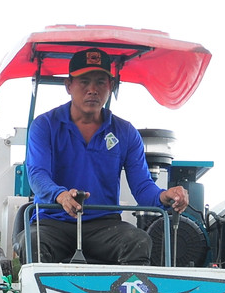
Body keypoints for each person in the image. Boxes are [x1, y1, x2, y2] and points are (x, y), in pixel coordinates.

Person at [22, 47, 191, 264]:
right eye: (84, 81)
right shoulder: (44, 126)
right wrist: (61, 196)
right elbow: (37, 175)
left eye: (100, 82)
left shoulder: (126, 132)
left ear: (110, 86)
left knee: (138, 241)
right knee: (34, 243)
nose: (92, 89)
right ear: (68, 85)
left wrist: (164, 196)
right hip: (53, 222)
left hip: (104, 225)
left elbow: (142, 188)